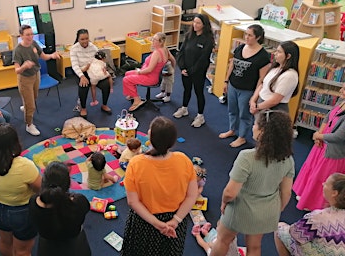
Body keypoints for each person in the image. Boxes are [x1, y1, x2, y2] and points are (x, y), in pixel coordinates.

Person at [210, 110, 295, 256]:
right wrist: (276, 209)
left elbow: (230, 192)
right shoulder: (288, 160)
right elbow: (286, 192)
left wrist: (224, 203)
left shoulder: (247, 157)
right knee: (255, 247)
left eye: (255, 124)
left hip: (240, 209)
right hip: (266, 211)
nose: (253, 127)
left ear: (263, 132)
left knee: (223, 240)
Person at [122, 116, 199, 256]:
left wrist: (157, 224)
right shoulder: (184, 160)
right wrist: (175, 220)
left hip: (144, 221)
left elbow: (133, 201)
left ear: (150, 137)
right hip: (176, 220)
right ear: (173, 142)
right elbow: (192, 195)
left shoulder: (136, 163)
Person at [0, 123, 42, 256]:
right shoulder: (24, 166)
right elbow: (41, 189)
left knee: (4, 241)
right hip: (22, 212)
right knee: (23, 250)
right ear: (14, 142)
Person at [219, 24, 271, 147]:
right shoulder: (240, 48)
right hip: (233, 85)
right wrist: (226, 81)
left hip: (248, 90)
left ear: (258, 37)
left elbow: (261, 78)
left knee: (244, 114)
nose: (246, 37)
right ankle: (232, 130)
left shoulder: (263, 56)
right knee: (232, 110)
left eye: (250, 35)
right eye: (246, 34)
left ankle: (242, 137)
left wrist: (254, 96)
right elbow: (232, 64)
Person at [292, 89, 345, 211]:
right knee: (312, 169)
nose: (341, 90)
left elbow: (338, 137)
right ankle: (305, 194)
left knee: (322, 177)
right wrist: (319, 133)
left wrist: (318, 136)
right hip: (322, 144)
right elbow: (328, 117)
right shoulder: (341, 101)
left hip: (333, 151)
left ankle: (313, 203)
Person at [29, 161, 91, 256]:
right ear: (68, 183)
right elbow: (85, 209)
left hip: (47, 248)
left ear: (44, 182)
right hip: (76, 247)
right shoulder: (79, 202)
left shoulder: (34, 202)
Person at [275, 173, 345, 256]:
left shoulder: (318, 217)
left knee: (279, 229)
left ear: (334, 193)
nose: (323, 184)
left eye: (326, 183)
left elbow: (295, 234)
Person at [13, 24, 60, 136]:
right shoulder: (18, 50)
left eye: (31, 34)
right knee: (31, 106)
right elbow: (17, 70)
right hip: (25, 78)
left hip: (36, 74)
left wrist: (52, 55)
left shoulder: (34, 44)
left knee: (34, 97)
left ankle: (26, 105)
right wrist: (24, 66)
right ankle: (29, 125)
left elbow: (43, 57)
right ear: (21, 36)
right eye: (27, 35)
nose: (30, 37)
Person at [173, 13, 215, 128]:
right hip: (185, 70)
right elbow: (181, 52)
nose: (195, 25)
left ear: (204, 25)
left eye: (198, 23)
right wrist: (182, 68)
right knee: (187, 89)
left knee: (198, 92)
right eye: (194, 22)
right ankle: (184, 108)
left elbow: (202, 60)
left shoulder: (208, 40)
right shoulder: (189, 35)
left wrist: (191, 71)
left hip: (198, 72)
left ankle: (200, 116)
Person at [122, 32, 175, 112]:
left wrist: (139, 72)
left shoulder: (157, 53)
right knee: (127, 73)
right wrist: (173, 69)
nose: (152, 41)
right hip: (153, 75)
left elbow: (149, 69)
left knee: (126, 79)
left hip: (149, 77)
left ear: (161, 42)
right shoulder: (165, 49)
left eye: (155, 40)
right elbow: (173, 60)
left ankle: (137, 100)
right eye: (152, 39)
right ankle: (132, 94)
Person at [70, 29, 113, 118]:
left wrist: (103, 68)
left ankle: (104, 105)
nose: (85, 41)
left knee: (106, 84)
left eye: (87, 38)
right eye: (82, 39)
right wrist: (82, 76)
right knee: (84, 85)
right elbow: (75, 66)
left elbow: (99, 59)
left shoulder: (93, 47)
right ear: (78, 39)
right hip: (82, 71)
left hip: (94, 70)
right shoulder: (74, 49)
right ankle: (83, 108)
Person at [249, 41, 300, 115]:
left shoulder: (290, 75)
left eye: (279, 52)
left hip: (273, 109)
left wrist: (257, 107)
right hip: (261, 104)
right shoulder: (275, 68)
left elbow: (275, 100)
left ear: (288, 56)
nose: (275, 53)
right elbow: (262, 85)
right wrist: (253, 100)